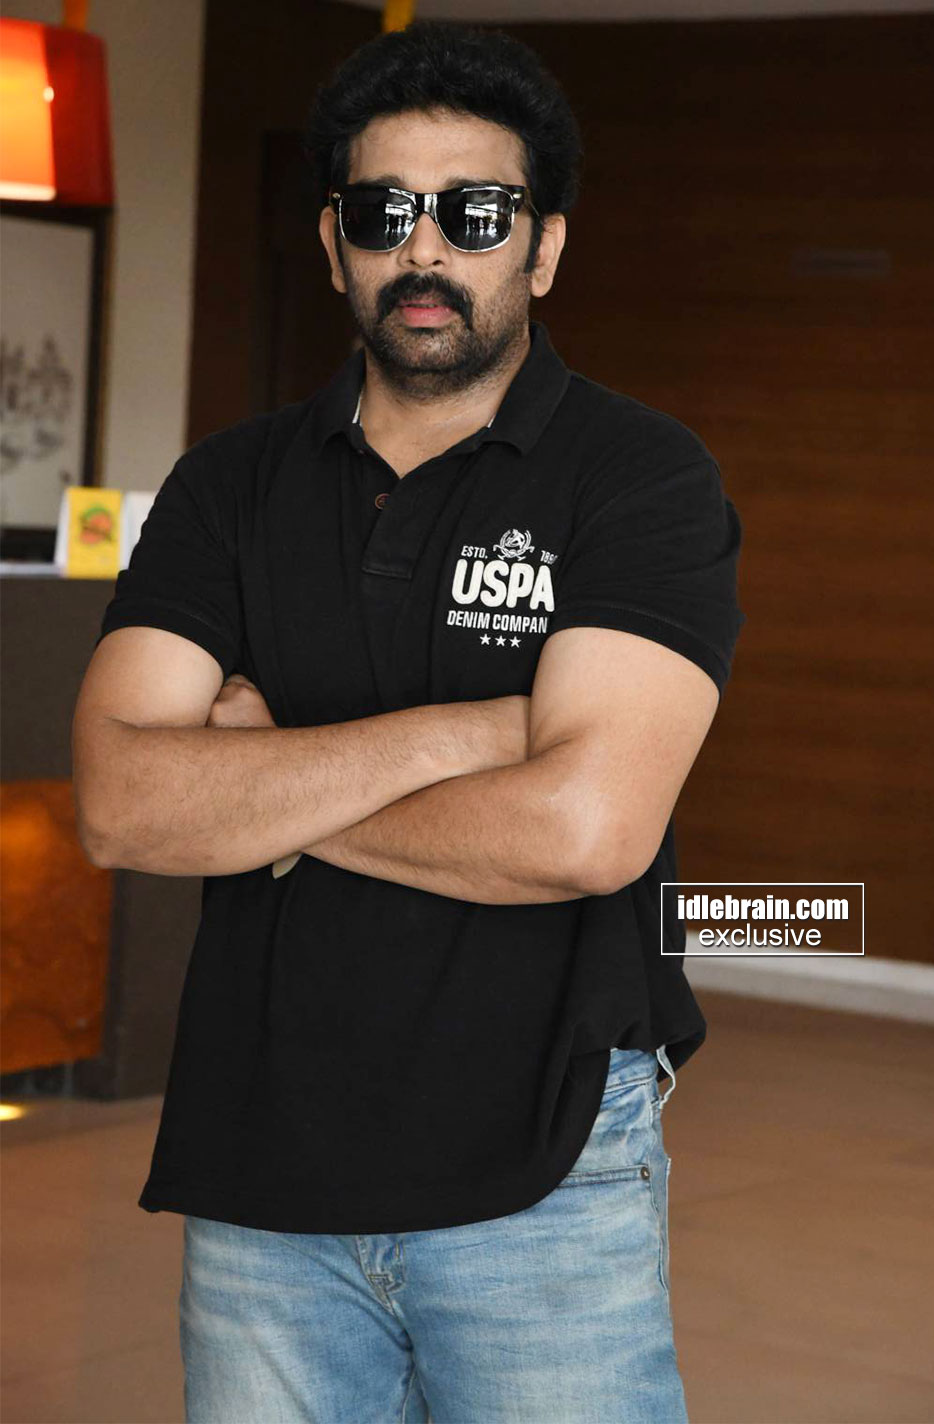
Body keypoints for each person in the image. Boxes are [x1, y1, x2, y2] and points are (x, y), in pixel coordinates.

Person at [72, 18, 745, 1423]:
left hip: (546, 1166)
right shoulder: (229, 486)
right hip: (263, 1169)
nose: (423, 249)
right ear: (335, 244)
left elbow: (586, 832)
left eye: (475, 213)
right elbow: (124, 806)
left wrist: (265, 789)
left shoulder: (638, 477)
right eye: (383, 212)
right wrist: (472, 733)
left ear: (542, 248)